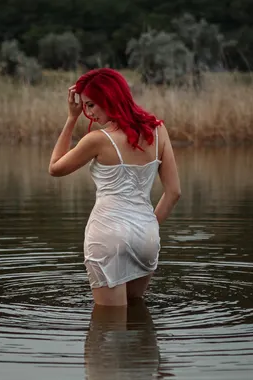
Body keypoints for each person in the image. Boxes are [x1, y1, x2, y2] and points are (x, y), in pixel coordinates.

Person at [48, 68, 181, 307]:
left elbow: (55, 168)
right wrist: (146, 225)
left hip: (107, 235)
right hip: (146, 236)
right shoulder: (158, 131)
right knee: (138, 324)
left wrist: (71, 118)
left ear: (108, 98)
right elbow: (173, 193)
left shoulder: (98, 139)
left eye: (91, 105)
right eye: (85, 107)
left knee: (107, 330)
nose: (89, 113)